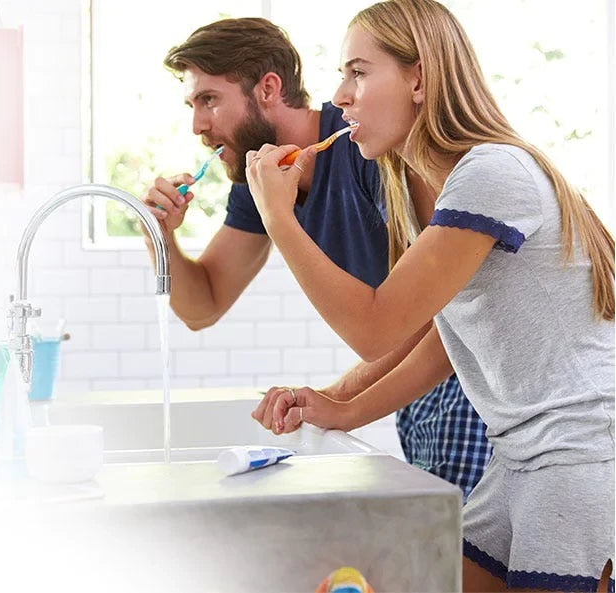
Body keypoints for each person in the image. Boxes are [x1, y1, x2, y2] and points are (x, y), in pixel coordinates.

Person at [244, 1, 614, 591]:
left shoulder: (490, 173)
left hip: (579, 459)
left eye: (358, 72)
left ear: (419, 78)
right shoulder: (448, 195)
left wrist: (279, 220)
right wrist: (344, 410)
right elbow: (452, 337)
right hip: (522, 460)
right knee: (420, 581)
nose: (340, 95)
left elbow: (374, 328)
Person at [141, 17, 491, 501]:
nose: (198, 125)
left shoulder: (370, 148)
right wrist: (159, 239)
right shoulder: (258, 179)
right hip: (412, 391)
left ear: (268, 88)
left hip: (468, 383)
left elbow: (434, 314)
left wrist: (337, 398)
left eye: (209, 100)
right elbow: (203, 305)